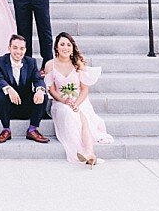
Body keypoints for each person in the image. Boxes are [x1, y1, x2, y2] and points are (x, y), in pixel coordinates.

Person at [43, 31, 111, 165]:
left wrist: (77, 103)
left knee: (83, 119)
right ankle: (79, 152)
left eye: (68, 45)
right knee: (70, 115)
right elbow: (51, 90)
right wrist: (64, 101)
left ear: (72, 47)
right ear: (56, 47)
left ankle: (90, 154)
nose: (65, 48)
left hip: (80, 101)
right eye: (62, 44)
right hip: (60, 103)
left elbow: (85, 89)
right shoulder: (50, 65)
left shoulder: (77, 63)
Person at [0, 34, 50, 144]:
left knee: (43, 94)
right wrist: (9, 89)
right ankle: (6, 130)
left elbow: (38, 79)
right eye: (15, 48)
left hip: (25, 104)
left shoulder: (31, 62)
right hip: (7, 105)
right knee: (0, 93)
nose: (18, 52)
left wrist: (40, 90)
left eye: (22, 48)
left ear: (25, 49)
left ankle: (32, 129)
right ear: (9, 48)